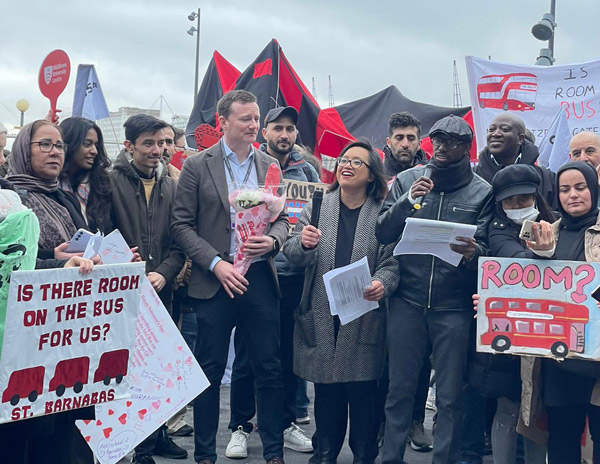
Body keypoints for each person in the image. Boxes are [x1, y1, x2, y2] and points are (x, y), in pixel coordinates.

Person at [171, 89, 289, 464]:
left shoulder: (270, 164)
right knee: (208, 370)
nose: (254, 126)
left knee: (268, 368)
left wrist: (272, 240)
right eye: (246, 119)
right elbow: (181, 225)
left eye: (256, 119)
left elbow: (284, 219)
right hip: (214, 282)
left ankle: (273, 452)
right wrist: (214, 263)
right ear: (223, 122)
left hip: (257, 280)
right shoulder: (196, 165)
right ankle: (205, 454)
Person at [376, 114, 494, 464]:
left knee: (451, 396)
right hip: (407, 302)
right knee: (399, 391)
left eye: (451, 142)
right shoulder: (409, 180)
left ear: (465, 148)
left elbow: (489, 250)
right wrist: (407, 199)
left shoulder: (482, 191)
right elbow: (383, 231)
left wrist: (476, 253)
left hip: (454, 307)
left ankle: (445, 459)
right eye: (437, 139)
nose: (441, 147)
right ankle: (390, 458)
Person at [285, 140, 399, 464]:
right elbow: (292, 251)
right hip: (322, 313)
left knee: (363, 394)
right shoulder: (319, 204)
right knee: (327, 392)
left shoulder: (382, 214)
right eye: (344, 160)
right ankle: (325, 455)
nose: (346, 166)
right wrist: (303, 244)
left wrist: (381, 283)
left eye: (356, 163)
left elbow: (392, 264)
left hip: (363, 314)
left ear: (372, 176)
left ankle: (364, 455)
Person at [225, 106, 317, 459]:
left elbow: (313, 216)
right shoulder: (254, 167)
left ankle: (284, 422)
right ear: (264, 131)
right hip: (258, 272)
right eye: (277, 127)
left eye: (290, 129)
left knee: (288, 357)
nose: (284, 134)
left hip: (294, 275)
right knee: (250, 356)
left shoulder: (305, 170)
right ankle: (240, 426)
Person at [110, 114, 187, 464]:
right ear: (129, 146)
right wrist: (126, 265)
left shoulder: (173, 185)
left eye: (164, 143)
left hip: (162, 290)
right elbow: (100, 233)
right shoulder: (109, 182)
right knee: (128, 370)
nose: (159, 150)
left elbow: (180, 238)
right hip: (122, 293)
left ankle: (156, 437)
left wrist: (165, 274)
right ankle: (135, 444)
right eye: (150, 144)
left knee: (160, 367)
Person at [468, 164, 550, 464]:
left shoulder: (554, 225)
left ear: (536, 196)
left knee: (537, 413)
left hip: (546, 336)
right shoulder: (494, 231)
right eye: (509, 201)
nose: (517, 206)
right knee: (509, 408)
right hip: (507, 340)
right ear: (499, 203)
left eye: (524, 198)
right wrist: (542, 254)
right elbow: (515, 265)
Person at [524, 161, 600, 464]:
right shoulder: (544, 235)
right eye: (565, 190)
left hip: (597, 366)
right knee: (562, 441)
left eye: (580, 187)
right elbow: (521, 288)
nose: (573, 195)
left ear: (593, 189)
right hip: (560, 363)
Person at [381, 111, 433, 453]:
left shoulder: (433, 174)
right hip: (377, 268)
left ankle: (415, 420)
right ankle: (383, 424)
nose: (405, 143)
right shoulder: (374, 170)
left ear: (419, 141)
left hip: (417, 278)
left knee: (419, 358)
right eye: (399, 137)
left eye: (411, 137)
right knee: (382, 356)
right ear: (388, 141)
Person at [6, 120, 87, 260]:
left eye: (59, 146)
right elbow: (8, 259)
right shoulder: (7, 198)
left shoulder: (67, 198)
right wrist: (52, 256)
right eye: (45, 144)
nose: (55, 152)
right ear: (24, 150)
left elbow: (86, 246)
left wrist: (113, 257)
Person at [475, 113, 555, 208]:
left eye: (504, 129)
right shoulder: (473, 177)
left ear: (520, 139)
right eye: (491, 130)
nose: (495, 134)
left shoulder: (547, 178)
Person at [59, 117, 112, 234]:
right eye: (87, 144)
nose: (94, 151)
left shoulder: (101, 184)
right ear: (69, 143)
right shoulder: (49, 186)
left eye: (96, 145)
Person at [384, 112, 426, 179]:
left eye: (411, 139)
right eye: (399, 138)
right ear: (388, 143)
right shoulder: (376, 175)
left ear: (419, 144)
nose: (405, 144)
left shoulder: (429, 175)